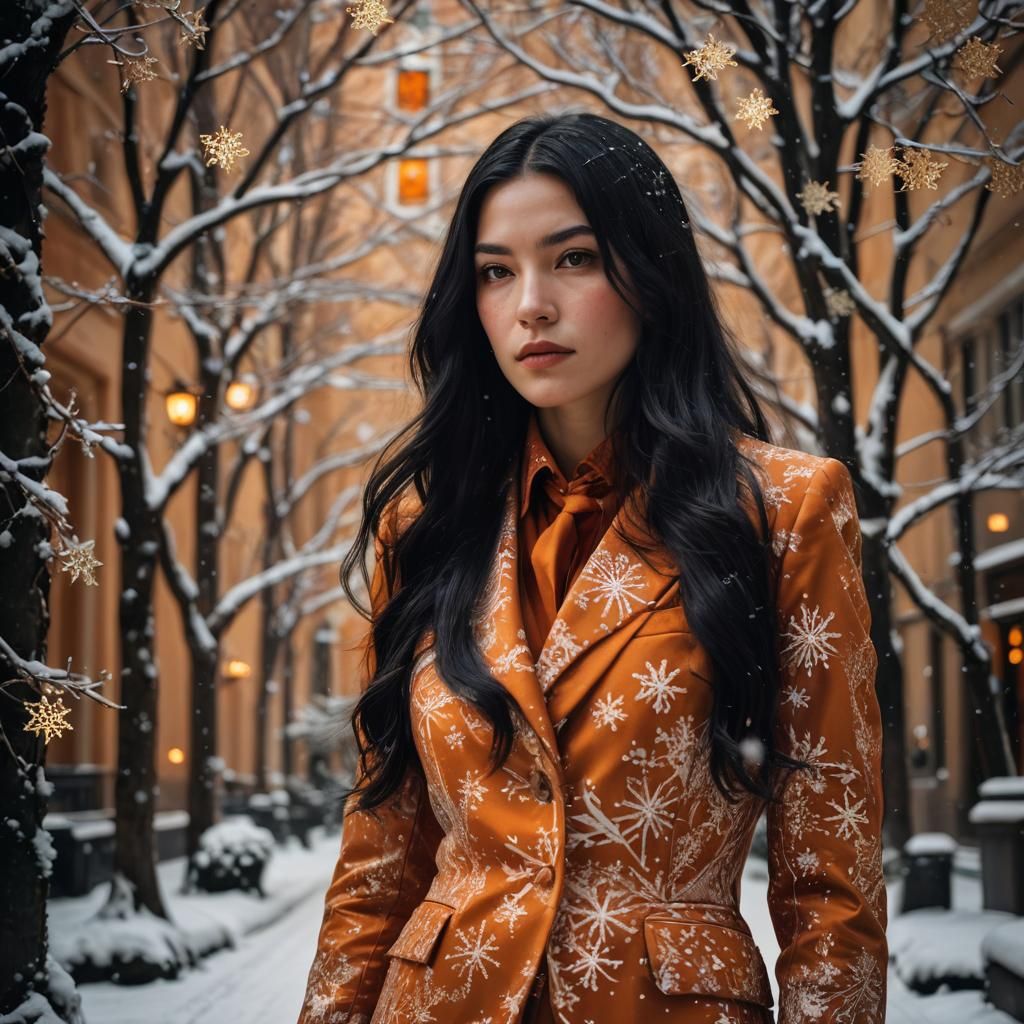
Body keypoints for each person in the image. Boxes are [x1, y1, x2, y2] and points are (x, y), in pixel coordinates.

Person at [297, 110, 887, 1024]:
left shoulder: (784, 512)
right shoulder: (428, 527)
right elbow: (380, 859)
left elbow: (831, 879)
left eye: (572, 258)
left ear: (652, 273)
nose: (531, 301)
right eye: (497, 271)